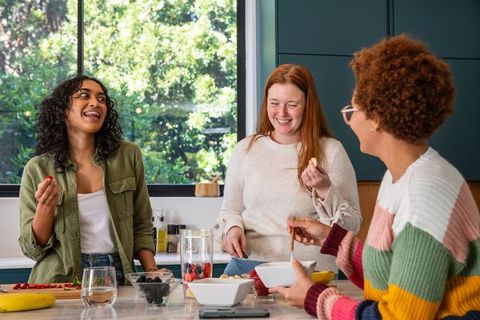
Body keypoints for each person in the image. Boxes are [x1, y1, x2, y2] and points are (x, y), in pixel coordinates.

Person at [270, 35, 480, 319]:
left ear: (377, 118)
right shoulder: (399, 178)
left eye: (353, 109)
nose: (349, 119)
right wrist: (332, 239)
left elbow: (400, 317)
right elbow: (398, 271)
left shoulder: (424, 195)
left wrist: (317, 298)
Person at [216, 64, 362, 274]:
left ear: (308, 105)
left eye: (292, 104)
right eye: (274, 103)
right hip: (250, 266)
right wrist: (232, 229)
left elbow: (352, 225)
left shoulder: (331, 151)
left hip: (310, 270)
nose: (281, 113)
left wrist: (324, 189)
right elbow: (230, 210)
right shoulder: (245, 150)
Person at [19, 75, 159, 285]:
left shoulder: (128, 155)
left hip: (118, 275)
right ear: (63, 109)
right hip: (60, 280)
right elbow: (33, 249)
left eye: (101, 99)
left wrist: (152, 271)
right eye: (84, 95)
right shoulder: (37, 168)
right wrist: (45, 208)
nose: (95, 102)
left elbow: (141, 222)